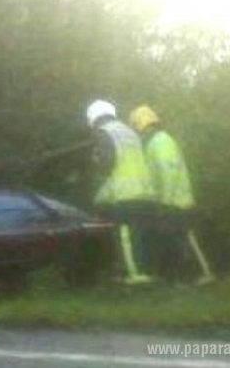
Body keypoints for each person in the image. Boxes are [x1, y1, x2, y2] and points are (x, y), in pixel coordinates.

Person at [128, 105, 214, 285]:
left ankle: (199, 276)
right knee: (176, 240)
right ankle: (183, 278)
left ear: (141, 125)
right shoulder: (158, 141)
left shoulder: (160, 141)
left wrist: (164, 202)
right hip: (172, 200)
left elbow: (168, 171)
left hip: (174, 202)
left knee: (181, 240)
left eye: (136, 126)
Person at [84, 99, 156, 285]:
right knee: (138, 234)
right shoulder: (129, 131)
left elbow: (107, 162)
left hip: (124, 192)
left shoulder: (104, 132)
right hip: (143, 189)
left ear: (93, 118)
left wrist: (96, 163)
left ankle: (135, 276)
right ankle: (144, 270)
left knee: (125, 234)